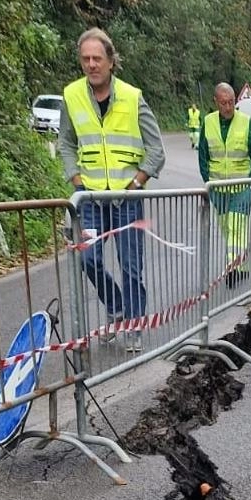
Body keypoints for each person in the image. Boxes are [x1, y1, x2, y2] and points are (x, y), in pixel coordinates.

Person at [58, 28, 166, 353]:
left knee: (131, 266)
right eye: (85, 59)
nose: (91, 65)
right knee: (88, 259)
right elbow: (65, 141)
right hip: (90, 200)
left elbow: (156, 150)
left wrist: (136, 183)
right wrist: (76, 180)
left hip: (126, 200)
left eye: (97, 58)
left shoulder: (133, 97)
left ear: (111, 61)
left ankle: (133, 325)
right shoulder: (72, 95)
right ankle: (117, 306)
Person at [198, 82, 251, 288]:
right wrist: (208, 183)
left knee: (236, 226)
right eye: (224, 103)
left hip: (241, 188)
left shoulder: (246, 122)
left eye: (232, 102)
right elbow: (203, 156)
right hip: (218, 189)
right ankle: (241, 266)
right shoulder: (208, 123)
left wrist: (250, 185)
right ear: (216, 102)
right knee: (228, 230)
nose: (228, 107)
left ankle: (232, 268)